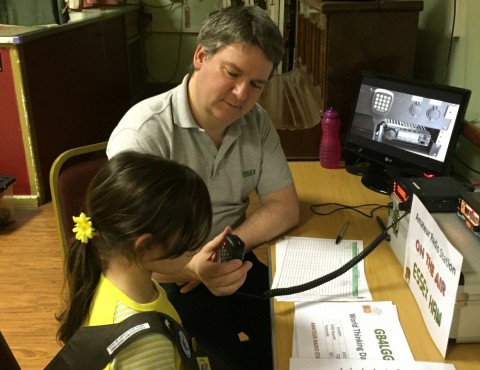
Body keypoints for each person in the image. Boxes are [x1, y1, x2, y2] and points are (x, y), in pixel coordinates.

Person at [106, 5, 300, 370]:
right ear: (200, 56)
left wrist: (224, 251)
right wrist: (190, 268)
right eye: (232, 73)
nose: (242, 94)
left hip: (230, 257)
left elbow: (285, 206)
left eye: (256, 84)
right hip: (165, 274)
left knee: (293, 342)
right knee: (222, 358)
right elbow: (127, 246)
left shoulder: (255, 123)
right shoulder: (143, 133)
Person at [55, 151, 221, 369]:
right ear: (146, 247)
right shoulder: (147, 347)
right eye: (190, 239)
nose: (198, 246)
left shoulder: (106, 279)